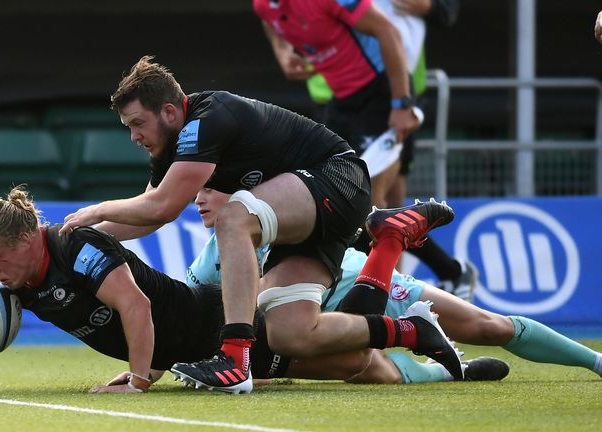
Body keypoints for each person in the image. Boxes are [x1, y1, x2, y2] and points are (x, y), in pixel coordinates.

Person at [58, 56, 461, 393]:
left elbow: (163, 207)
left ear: (168, 111)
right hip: (305, 209)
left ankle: (235, 359)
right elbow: (145, 216)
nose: (133, 137)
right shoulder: (172, 145)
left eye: (136, 124)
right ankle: (410, 328)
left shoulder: (206, 117)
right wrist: (68, 243)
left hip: (339, 177)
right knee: (291, 334)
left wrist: (93, 212)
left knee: (234, 217)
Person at [0, 187, 467, 395]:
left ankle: (404, 303)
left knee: (354, 359)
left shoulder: (73, 247)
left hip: (214, 329)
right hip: (191, 351)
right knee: (356, 367)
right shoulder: (20, 274)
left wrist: (140, 381)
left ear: (26, 240)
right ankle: (450, 366)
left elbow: (136, 305)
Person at [190, 187, 602, 381]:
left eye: (210, 190)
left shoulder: (280, 208)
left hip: (355, 282)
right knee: (378, 374)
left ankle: (596, 363)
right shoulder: (208, 258)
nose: (199, 200)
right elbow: (193, 312)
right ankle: (450, 369)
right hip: (328, 319)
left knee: (487, 326)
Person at [256, 0, 477, 303]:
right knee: (371, 200)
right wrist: (283, 52)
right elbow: (270, 21)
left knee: (366, 203)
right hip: (342, 102)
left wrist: (402, 103)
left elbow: (389, 30)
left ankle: (380, 292)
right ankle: (445, 273)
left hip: (384, 96)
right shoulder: (264, 4)